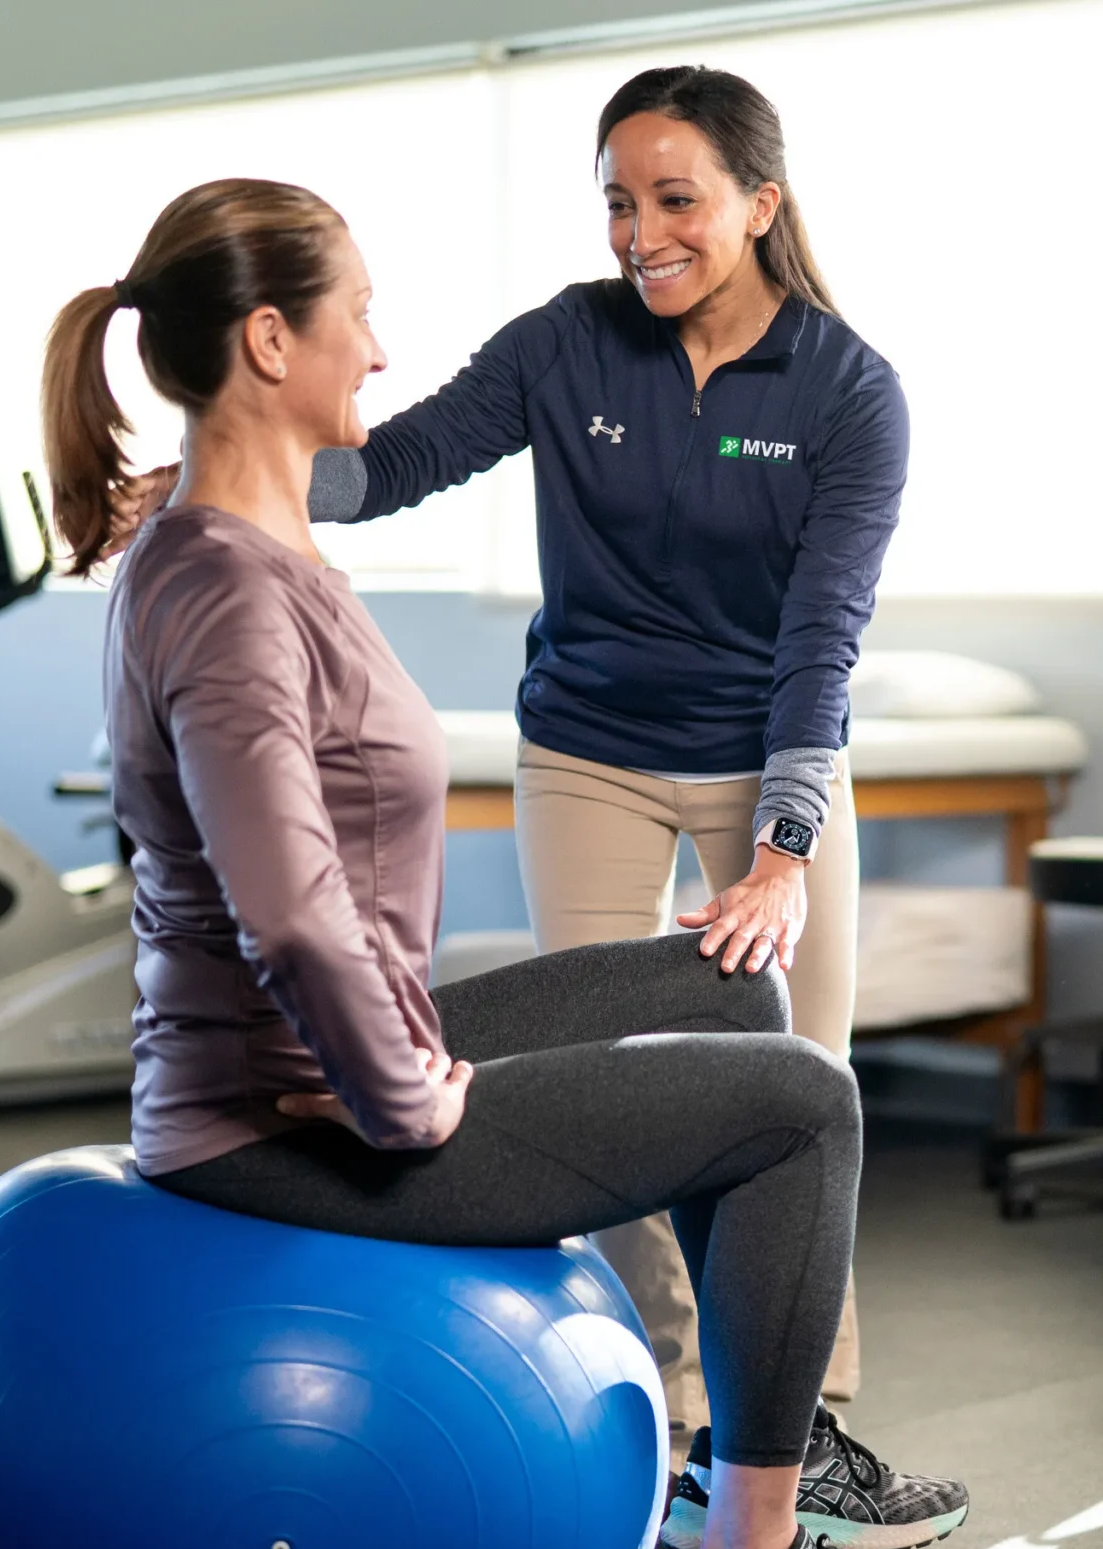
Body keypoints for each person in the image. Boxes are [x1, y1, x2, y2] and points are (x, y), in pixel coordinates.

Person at [51, 176, 976, 1549]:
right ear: (273, 342)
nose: (382, 348)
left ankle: (769, 1449)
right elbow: (283, 902)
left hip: (322, 1071)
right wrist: (409, 1097)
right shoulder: (225, 582)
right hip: (289, 1122)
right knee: (813, 1102)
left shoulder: (241, 554)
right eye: (358, 311)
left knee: (737, 990)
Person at [306, 61, 905, 1471]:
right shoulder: (568, 344)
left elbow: (823, 633)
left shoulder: (848, 391)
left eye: (676, 199)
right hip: (588, 751)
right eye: (619, 203)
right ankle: (683, 1401)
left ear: (761, 202)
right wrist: (232, 465)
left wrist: (783, 848)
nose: (641, 235)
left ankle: (803, 1422)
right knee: (611, 1082)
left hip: (767, 760)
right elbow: (393, 464)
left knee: (806, 1086)